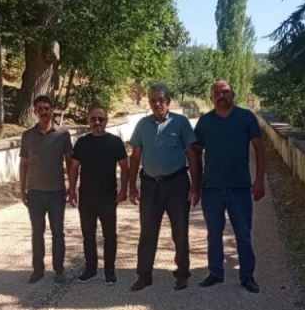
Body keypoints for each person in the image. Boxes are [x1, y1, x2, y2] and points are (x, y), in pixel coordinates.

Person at [193, 80, 265, 293]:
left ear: (232, 94)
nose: (221, 95)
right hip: (211, 188)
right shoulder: (205, 122)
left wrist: (259, 180)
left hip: (240, 187)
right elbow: (195, 153)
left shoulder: (246, 117)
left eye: (225, 92)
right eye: (216, 92)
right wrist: (195, 185)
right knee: (213, 234)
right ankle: (215, 272)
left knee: (243, 234)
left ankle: (247, 276)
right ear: (211, 97)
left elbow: (260, 149)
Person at [128, 82, 201, 291]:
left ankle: (182, 273)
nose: (157, 104)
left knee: (180, 231)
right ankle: (144, 275)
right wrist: (132, 187)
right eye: (153, 100)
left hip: (177, 184)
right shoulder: (142, 125)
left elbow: (192, 155)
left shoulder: (180, 122)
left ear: (168, 101)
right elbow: (135, 157)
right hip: (150, 186)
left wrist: (195, 187)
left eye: (161, 100)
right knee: (147, 231)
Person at [67, 106, 129, 285]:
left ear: (106, 121)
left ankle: (110, 271)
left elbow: (125, 167)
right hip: (86, 196)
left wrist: (123, 190)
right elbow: (74, 168)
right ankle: (91, 269)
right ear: (88, 120)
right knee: (88, 235)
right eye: (93, 119)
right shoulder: (82, 143)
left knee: (110, 235)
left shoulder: (115, 142)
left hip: (108, 197)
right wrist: (72, 190)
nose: (97, 122)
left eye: (101, 119)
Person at [19, 95, 73, 283]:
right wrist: (22, 190)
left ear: (52, 110)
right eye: (40, 109)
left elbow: (70, 162)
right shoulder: (27, 136)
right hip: (35, 193)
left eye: (46, 108)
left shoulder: (63, 134)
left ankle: (59, 269)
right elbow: (24, 164)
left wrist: (72, 187)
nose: (43, 112)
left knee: (58, 232)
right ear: (35, 112)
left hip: (57, 192)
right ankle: (38, 270)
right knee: (37, 232)